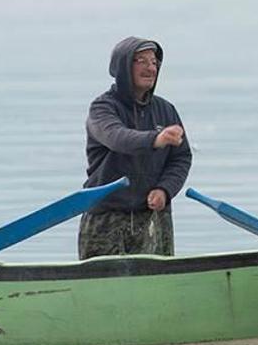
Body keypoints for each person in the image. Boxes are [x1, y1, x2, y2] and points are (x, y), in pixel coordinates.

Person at [78, 36, 192, 260]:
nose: (150, 68)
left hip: (153, 217)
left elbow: (181, 157)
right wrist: (155, 139)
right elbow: (117, 137)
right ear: (123, 66)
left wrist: (165, 189)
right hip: (106, 217)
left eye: (154, 62)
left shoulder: (166, 110)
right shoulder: (102, 108)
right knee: (103, 289)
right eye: (141, 61)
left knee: (159, 288)